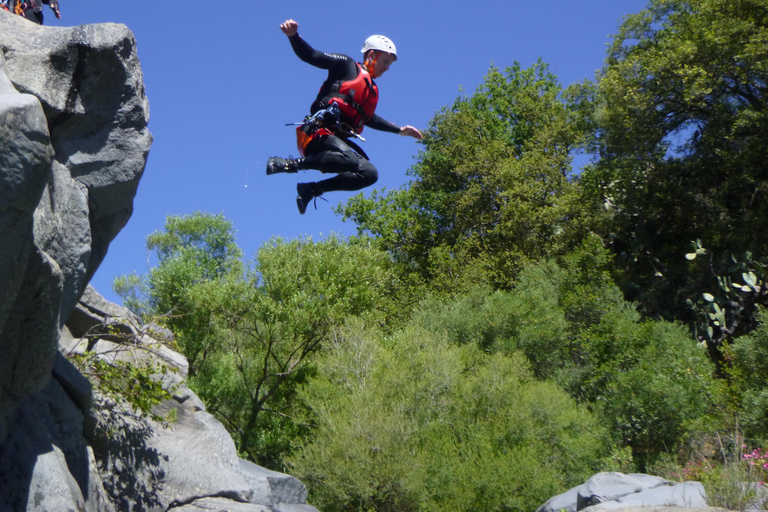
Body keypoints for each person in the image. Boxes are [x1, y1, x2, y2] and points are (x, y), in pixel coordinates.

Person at [267, 19, 423, 214]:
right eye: (385, 62)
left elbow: (368, 118)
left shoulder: (371, 90)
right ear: (372, 55)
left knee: (369, 173)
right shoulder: (347, 66)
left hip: (334, 144)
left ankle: (311, 190)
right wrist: (293, 37)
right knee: (349, 159)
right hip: (315, 134)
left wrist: (399, 130)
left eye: (389, 65)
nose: (387, 68)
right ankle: (288, 164)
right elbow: (312, 55)